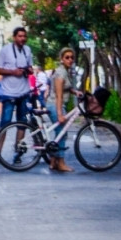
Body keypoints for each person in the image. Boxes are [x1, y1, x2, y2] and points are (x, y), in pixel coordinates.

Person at [0, 27, 35, 159]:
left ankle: (18, 152)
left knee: (22, 123)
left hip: (24, 92)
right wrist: (12, 72)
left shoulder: (27, 50)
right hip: (9, 92)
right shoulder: (6, 50)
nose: (22, 38)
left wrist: (29, 70)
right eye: (20, 36)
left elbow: (30, 67)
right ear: (14, 37)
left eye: (24, 36)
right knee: (5, 123)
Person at [43, 45, 79, 173]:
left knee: (58, 134)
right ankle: (61, 163)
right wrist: (59, 114)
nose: (70, 59)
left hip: (57, 104)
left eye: (72, 57)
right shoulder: (60, 73)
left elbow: (66, 88)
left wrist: (75, 92)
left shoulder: (65, 71)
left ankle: (53, 162)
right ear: (62, 59)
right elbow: (58, 95)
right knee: (62, 134)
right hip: (55, 105)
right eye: (67, 57)